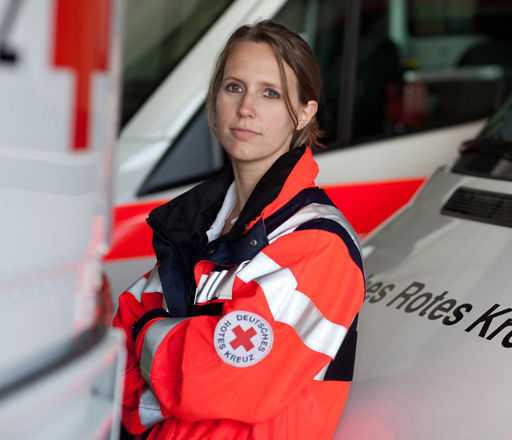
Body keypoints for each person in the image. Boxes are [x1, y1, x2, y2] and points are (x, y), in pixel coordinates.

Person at [113, 19, 365, 440]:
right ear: (215, 100)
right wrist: (183, 367)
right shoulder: (199, 226)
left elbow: (227, 382)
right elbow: (117, 350)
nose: (246, 107)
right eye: (234, 87)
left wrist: (149, 334)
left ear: (304, 113)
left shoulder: (320, 243)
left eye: (271, 93)